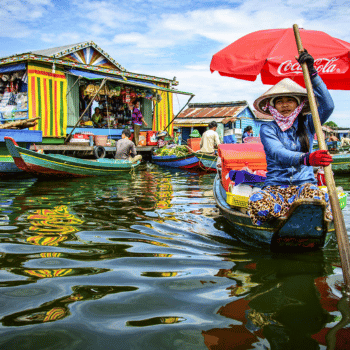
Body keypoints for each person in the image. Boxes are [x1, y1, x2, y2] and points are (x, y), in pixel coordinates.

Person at [248, 50, 334, 226]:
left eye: (290, 100)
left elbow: (328, 105)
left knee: (322, 198)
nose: (284, 105)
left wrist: (313, 73)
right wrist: (307, 158)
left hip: (304, 186)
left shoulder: (309, 123)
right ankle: (288, 214)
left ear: (298, 104)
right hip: (275, 187)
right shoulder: (268, 128)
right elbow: (278, 153)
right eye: (279, 101)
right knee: (256, 201)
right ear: (273, 106)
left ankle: (295, 214)